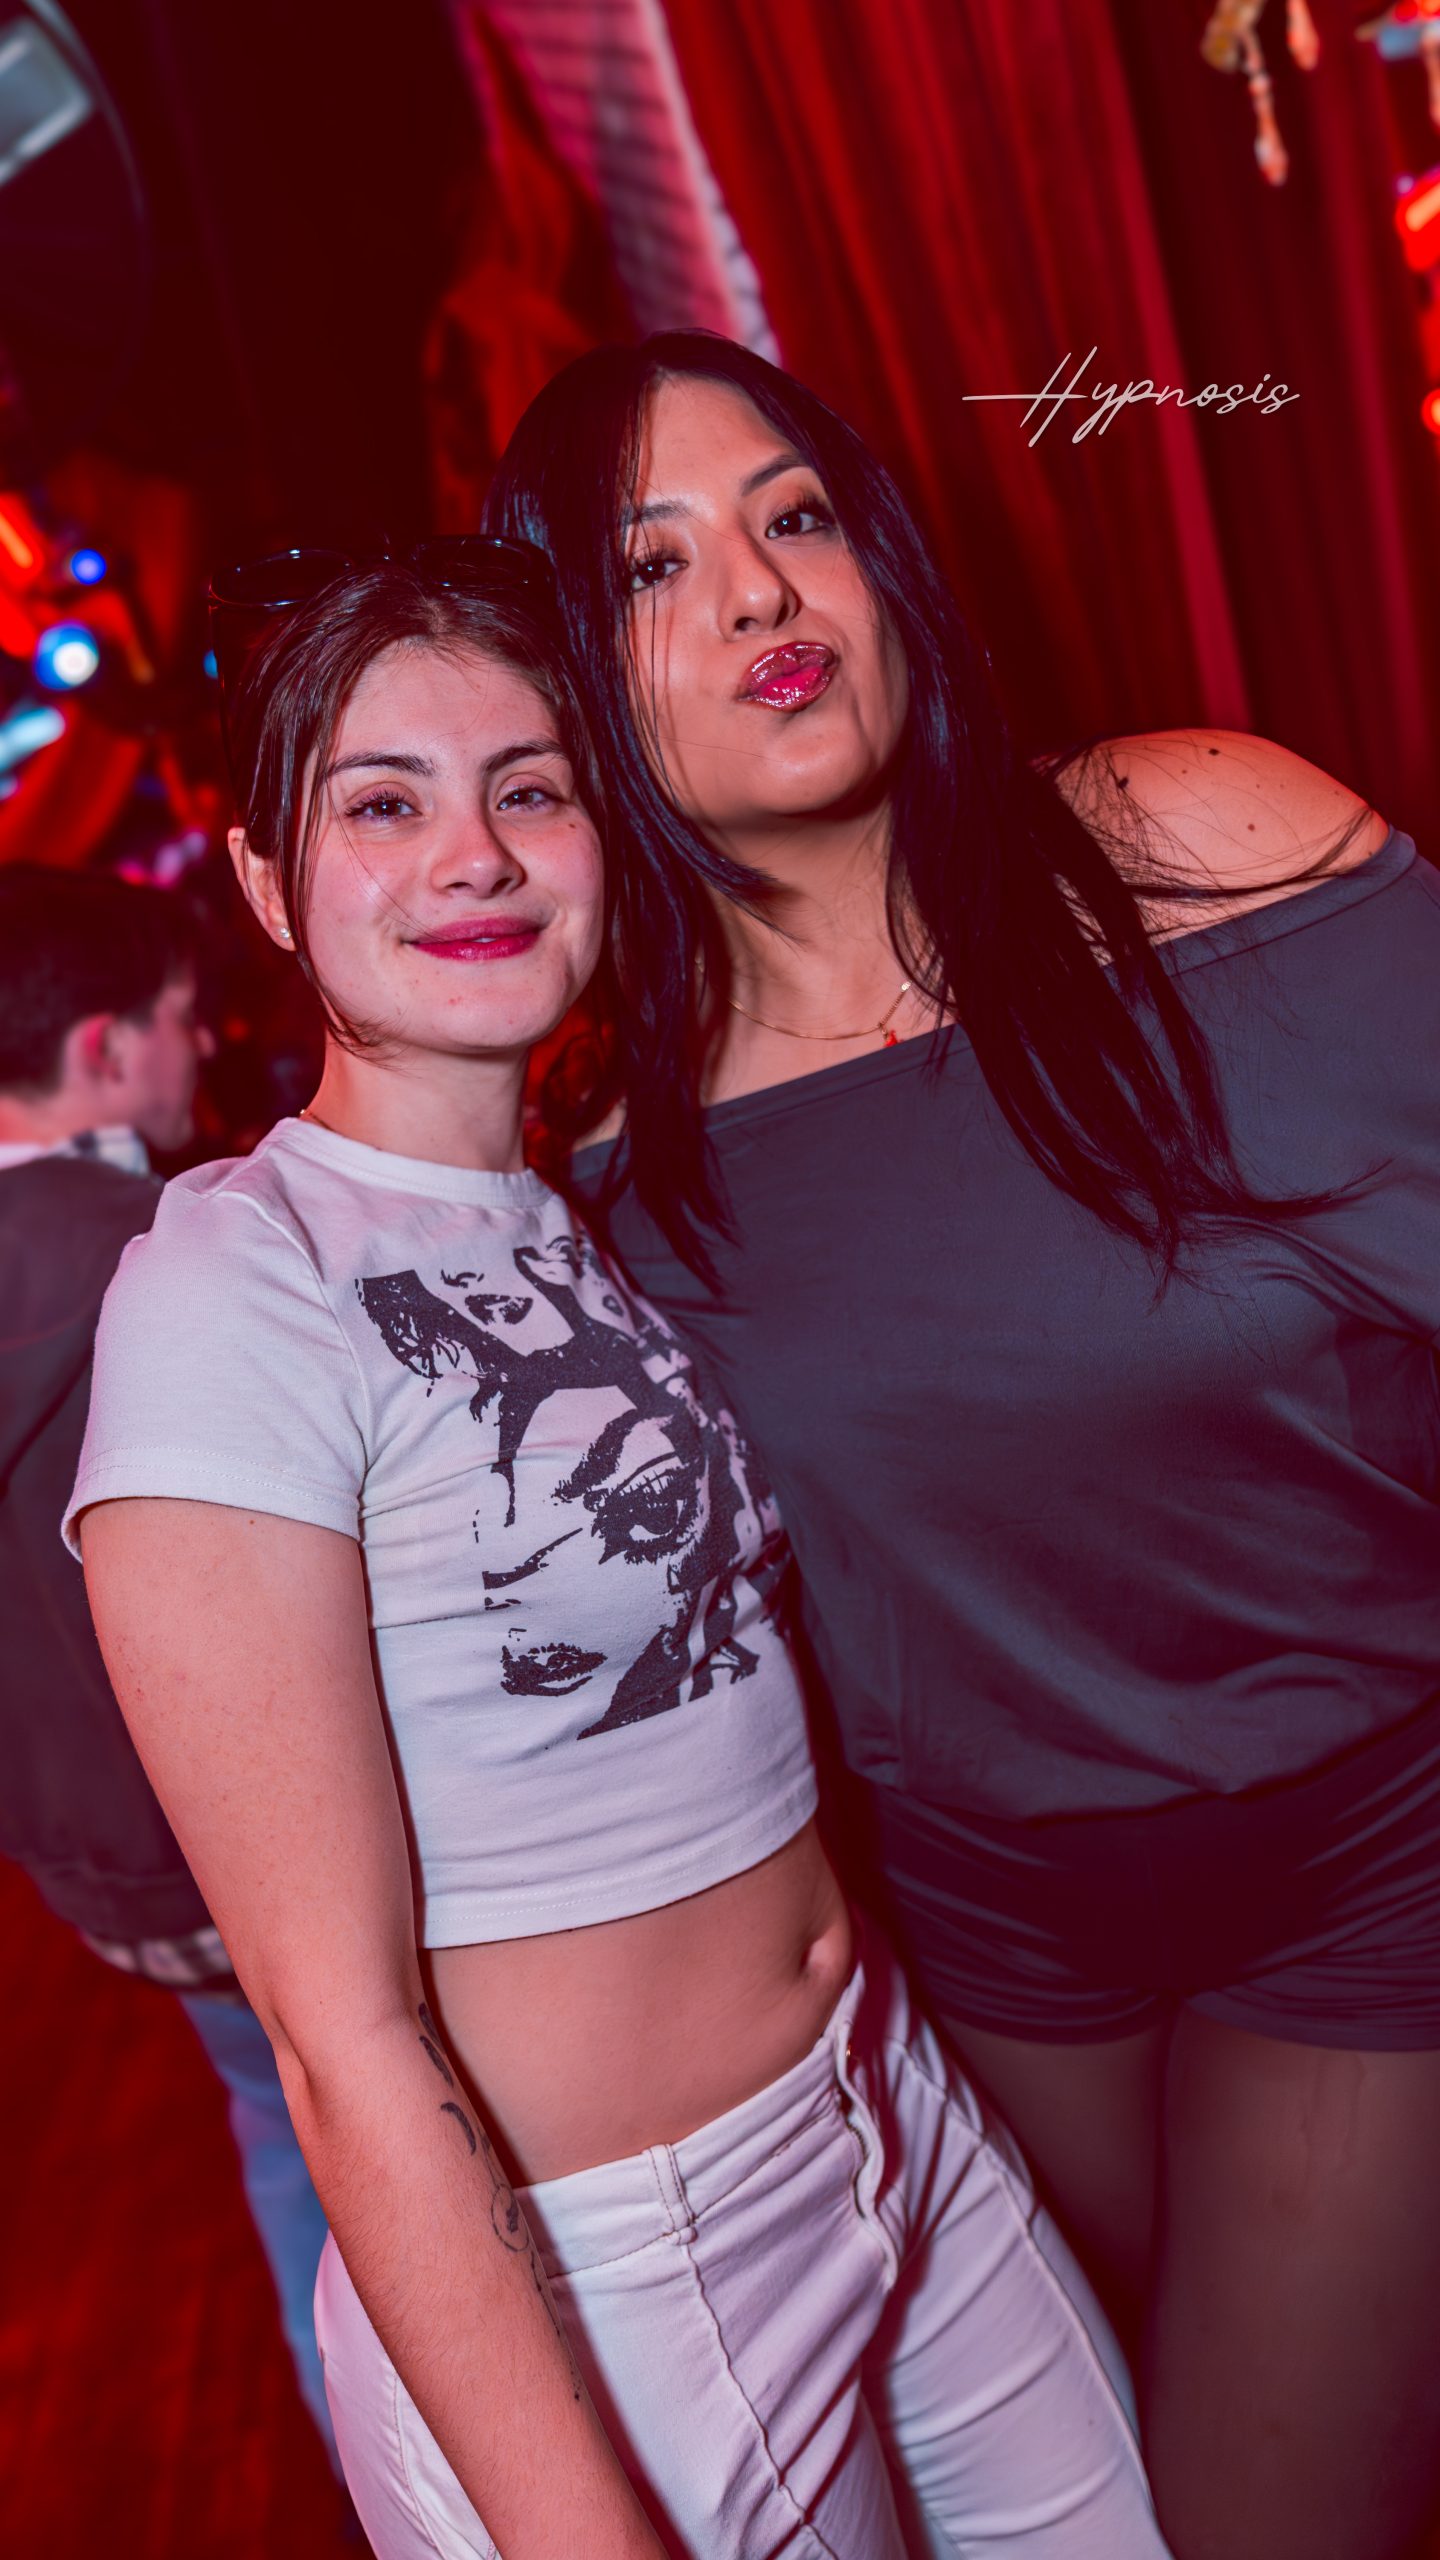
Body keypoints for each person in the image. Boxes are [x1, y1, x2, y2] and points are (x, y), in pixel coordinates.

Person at [68, 545, 1165, 2560]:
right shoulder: (237, 1282)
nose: (473, 855)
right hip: (621, 2268)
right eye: (383, 802)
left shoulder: (576, 1209)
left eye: (532, 787)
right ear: (264, 884)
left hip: (886, 2103)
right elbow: (336, 2038)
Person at [485, 331, 1440, 2560]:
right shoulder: (599, 1161)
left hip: (1365, 1851)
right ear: (574, 690)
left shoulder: (1201, 849)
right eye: (653, 564)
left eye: (796, 516)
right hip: (986, 1934)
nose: (757, 587)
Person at [0, 862, 341, 2470]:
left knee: (281, 2135)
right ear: (101, 1046)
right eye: (180, 1019)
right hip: (260, 1848)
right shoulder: (169, 1249)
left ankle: (363, 2472)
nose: (200, 1046)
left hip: (96, 1882)